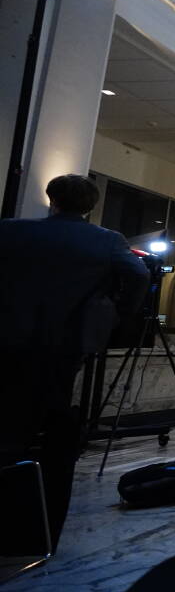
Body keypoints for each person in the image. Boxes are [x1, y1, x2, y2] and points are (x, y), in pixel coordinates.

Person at [0, 174, 149, 552]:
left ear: (52, 199)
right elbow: (138, 275)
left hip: (8, 342)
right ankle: (36, 523)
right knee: (52, 426)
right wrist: (115, 314)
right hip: (63, 346)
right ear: (91, 206)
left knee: (8, 423)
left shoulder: (12, 231)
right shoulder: (106, 241)